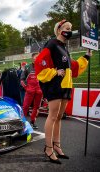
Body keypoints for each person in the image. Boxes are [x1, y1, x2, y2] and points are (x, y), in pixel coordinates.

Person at [34, 19, 92, 164]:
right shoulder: (52, 44)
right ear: (59, 29)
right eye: (67, 27)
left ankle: (57, 146)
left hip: (66, 84)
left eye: (71, 27)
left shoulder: (64, 48)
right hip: (55, 85)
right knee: (52, 116)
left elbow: (73, 67)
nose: (70, 29)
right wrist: (53, 72)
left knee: (59, 117)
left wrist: (86, 56)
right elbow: (39, 62)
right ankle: (48, 148)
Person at [21, 53, 42, 129]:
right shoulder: (27, 67)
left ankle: (33, 122)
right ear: (32, 58)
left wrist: (43, 89)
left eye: (39, 57)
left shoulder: (42, 67)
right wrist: (27, 88)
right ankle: (22, 122)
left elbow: (45, 80)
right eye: (36, 57)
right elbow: (22, 79)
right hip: (29, 91)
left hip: (39, 91)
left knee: (36, 107)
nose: (38, 58)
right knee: (25, 106)